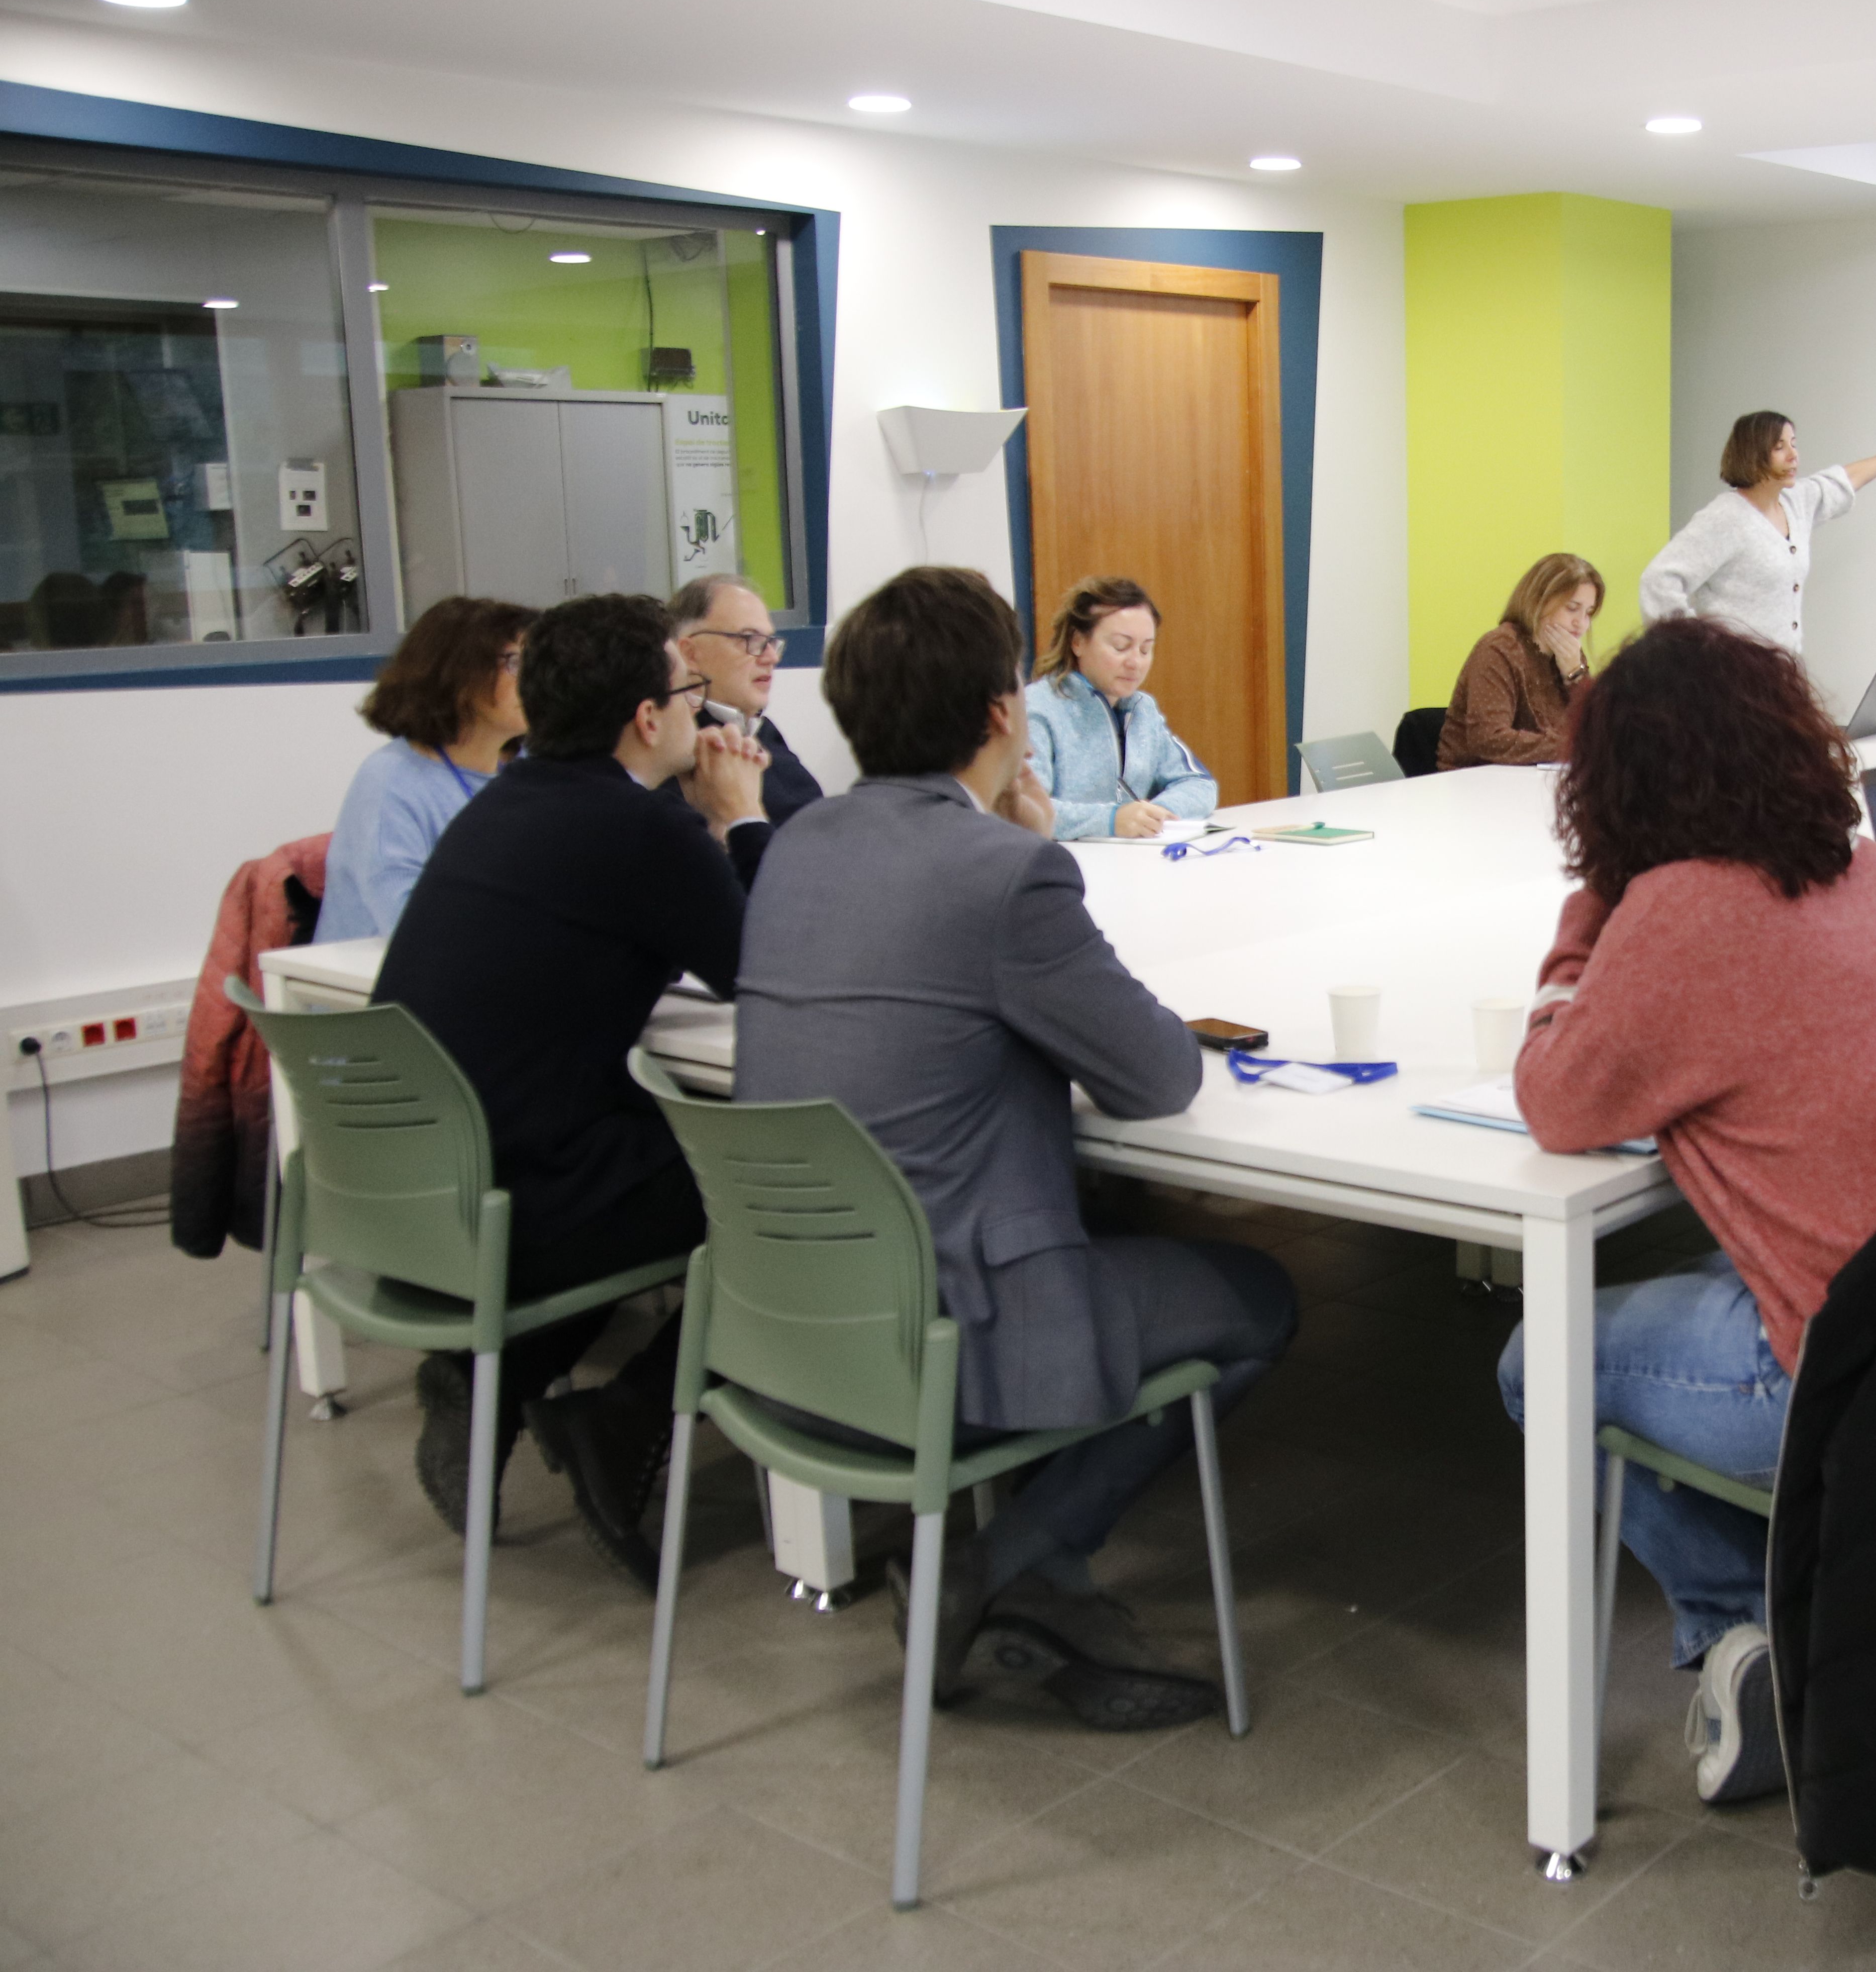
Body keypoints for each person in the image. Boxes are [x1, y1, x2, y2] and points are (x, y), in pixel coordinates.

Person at [736, 567, 1295, 1729]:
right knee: (1260, 1297)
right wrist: (1047, 862)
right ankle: (1011, 1560)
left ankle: (1033, 1558)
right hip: (950, 1332)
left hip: (782, 1320)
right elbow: (1157, 1076)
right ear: (1006, 714)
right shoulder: (1007, 872)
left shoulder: (795, 845)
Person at [1494, 616, 1876, 1805]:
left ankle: (1751, 1631)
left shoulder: (1681, 908)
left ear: (1618, 779)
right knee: (1705, 1275)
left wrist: (1584, 924)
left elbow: (1556, 1100)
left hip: (1872, 1375)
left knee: (1541, 1359)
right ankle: (1795, 1618)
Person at [370, 592, 773, 1579]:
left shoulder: (503, 801)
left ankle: (496, 1377)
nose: (698, 711)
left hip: (417, 1189)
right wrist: (742, 820)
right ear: (647, 717)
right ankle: (628, 1416)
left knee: (653, 1143)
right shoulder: (638, 830)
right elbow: (773, 973)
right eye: (687, 691)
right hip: (521, 1196)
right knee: (775, 1198)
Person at [317, 597, 533, 944]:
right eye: (516, 663)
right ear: (457, 673)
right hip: (383, 973)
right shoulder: (391, 779)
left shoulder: (528, 772)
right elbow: (410, 922)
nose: (537, 680)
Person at [1637, 411, 1876, 651]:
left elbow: (1844, 480)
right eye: (1779, 447)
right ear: (1753, 455)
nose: (1794, 455)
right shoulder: (1725, 518)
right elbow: (1658, 582)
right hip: (1733, 685)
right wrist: (1699, 649)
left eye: (1794, 444)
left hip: (1782, 679)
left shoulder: (1796, 503)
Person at [1025, 576, 1217, 839]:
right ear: (1077, 642)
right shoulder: (1037, 709)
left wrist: (1154, 815)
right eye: (1121, 647)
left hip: (1129, 858)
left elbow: (1199, 783)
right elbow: (1027, 812)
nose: (1135, 663)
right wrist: (1112, 820)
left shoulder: (1142, 709)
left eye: (1145, 650)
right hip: (1062, 858)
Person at [664, 572, 823, 829]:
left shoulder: (765, 733)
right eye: (750, 639)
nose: (771, 658)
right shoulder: (679, 750)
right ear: (691, 654)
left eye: (770, 642)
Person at [1437, 552, 1600, 769]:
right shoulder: (1499, 649)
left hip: (1534, 777)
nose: (1581, 623)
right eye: (1572, 608)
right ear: (1539, 601)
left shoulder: (1571, 654)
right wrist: (1573, 746)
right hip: (1474, 778)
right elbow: (1489, 739)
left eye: (1588, 613)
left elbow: (1599, 731)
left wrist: (1576, 675)